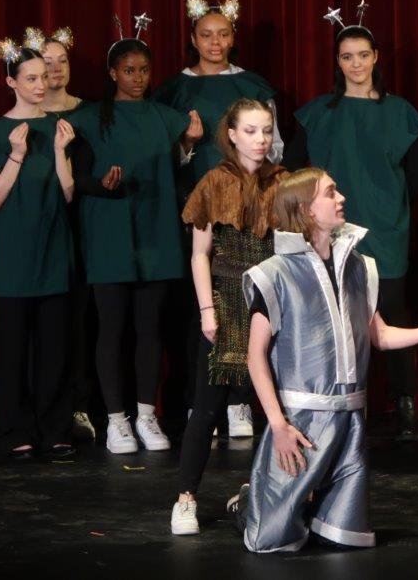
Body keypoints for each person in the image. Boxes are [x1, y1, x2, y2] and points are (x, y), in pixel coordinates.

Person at [229, 168, 418, 552]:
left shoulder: (357, 266)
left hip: (351, 418)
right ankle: (247, 503)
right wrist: (278, 425)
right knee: (269, 541)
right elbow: (255, 355)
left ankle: (311, 505)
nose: (342, 198)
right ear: (305, 209)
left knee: (345, 540)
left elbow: (380, 336)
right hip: (299, 420)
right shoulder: (273, 275)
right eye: (330, 192)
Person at [285, 8, 418, 438]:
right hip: (332, 229)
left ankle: (404, 399)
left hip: (386, 228)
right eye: (347, 56)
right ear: (338, 61)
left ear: (375, 58)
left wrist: (389, 201)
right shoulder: (318, 113)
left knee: (391, 307)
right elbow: (294, 168)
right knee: (335, 312)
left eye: (362, 55)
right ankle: (343, 396)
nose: (355, 64)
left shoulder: (400, 112)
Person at [68, 30, 202, 455]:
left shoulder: (165, 117)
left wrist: (190, 146)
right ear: (113, 73)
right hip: (110, 234)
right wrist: (103, 184)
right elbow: (80, 178)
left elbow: (179, 170)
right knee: (111, 328)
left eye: (144, 70)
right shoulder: (91, 118)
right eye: (129, 70)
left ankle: (146, 415)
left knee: (150, 329)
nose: (138, 77)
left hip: (156, 233)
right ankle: (116, 420)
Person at [155, 0, 279, 436]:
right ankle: (199, 400)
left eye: (223, 34)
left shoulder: (253, 84)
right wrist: (188, 143)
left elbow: (274, 143)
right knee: (204, 309)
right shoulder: (175, 88)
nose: (215, 42)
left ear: (233, 38)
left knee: (251, 305)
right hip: (204, 203)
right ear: (193, 38)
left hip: (250, 208)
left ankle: (243, 400)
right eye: (206, 35)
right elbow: (165, 154)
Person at [171, 98, 286, 535]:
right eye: (251, 131)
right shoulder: (214, 182)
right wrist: (207, 310)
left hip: (270, 299)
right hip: (226, 299)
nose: (261, 139)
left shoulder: (283, 182)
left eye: (266, 130)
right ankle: (185, 497)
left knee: (270, 404)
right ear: (232, 134)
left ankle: (259, 489)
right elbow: (200, 255)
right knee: (207, 408)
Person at [0, 38, 76, 461]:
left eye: (44, 76)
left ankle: (52, 428)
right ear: (10, 82)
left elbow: (68, 193)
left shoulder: (59, 127)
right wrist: (16, 155)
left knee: (53, 351)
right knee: (14, 350)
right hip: (14, 259)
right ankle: (14, 429)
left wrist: (57, 152)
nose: (41, 83)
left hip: (53, 253)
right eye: (31, 78)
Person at [32, 26, 99, 442]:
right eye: (46, 62)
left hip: (84, 227)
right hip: (41, 224)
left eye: (62, 60)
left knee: (83, 321)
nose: (55, 69)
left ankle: (82, 405)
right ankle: (42, 407)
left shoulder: (89, 113)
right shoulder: (27, 119)